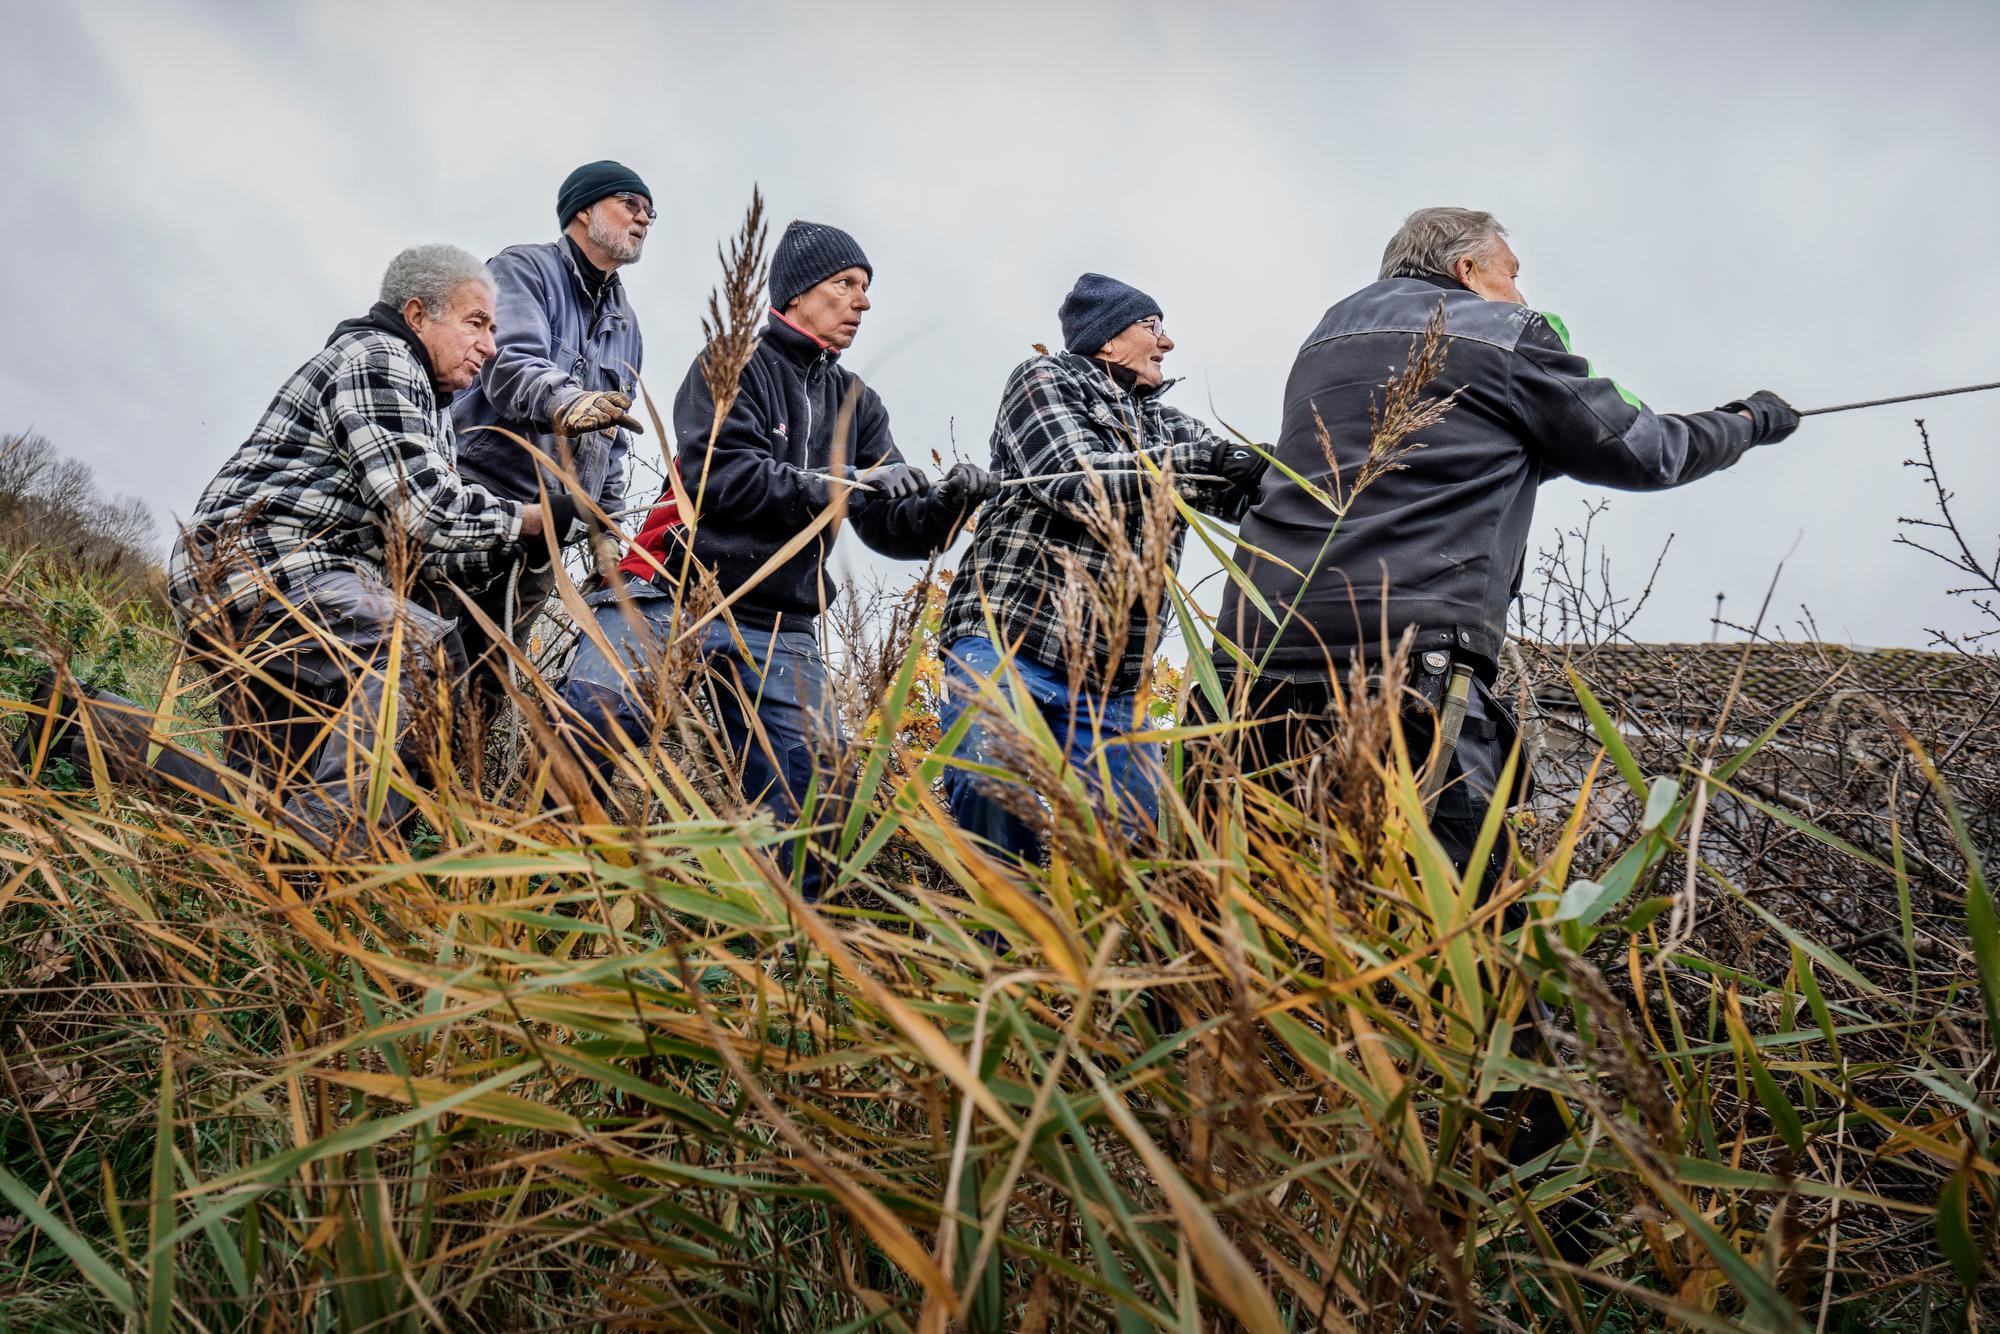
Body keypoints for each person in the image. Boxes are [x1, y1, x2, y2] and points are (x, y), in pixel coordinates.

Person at [1208, 206, 1799, 871]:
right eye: (1512, 274)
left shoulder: (1325, 339)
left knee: (1258, 901)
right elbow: (1645, 450)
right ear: (1466, 270)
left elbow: (1430, 465)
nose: (1523, 295)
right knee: (1463, 920)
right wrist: (1747, 422)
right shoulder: (1502, 332)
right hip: (1405, 667)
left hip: (1251, 657)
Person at [560, 219, 995, 897]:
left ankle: (795, 946)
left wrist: (947, 505)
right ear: (796, 294)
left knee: (815, 797)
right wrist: (844, 482)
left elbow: (893, 527)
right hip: (673, 587)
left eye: (866, 288)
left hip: (779, 620)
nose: (863, 302)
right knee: (594, 712)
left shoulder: (859, 404)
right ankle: (538, 878)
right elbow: (723, 479)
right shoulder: (731, 363)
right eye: (846, 285)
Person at [159, 244, 550, 856]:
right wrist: (528, 519)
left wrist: (524, 550)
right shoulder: (380, 357)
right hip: (257, 565)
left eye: (494, 329)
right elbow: (425, 507)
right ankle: (319, 865)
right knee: (415, 649)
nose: (491, 346)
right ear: (419, 314)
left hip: (279, 579)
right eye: (476, 323)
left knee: (266, 790)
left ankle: (78, 727)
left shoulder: (429, 407)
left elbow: (421, 545)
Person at [934, 273, 1268, 865]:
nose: (1167, 344)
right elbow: (1074, 475)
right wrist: (1205, 461)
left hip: (1111, 690)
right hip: (1010, 646)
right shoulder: (1044, 379)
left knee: (1151, 847)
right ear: (1109, 341)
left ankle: (1121, 953)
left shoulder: (1170, 426)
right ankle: (1012, 935)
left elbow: (1248, 499)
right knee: (987, 773)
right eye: (1153, 327)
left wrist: (1275, 466)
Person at [450, 160, 652, 705]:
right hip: (479, 499)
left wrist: (604, 530)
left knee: (487, 687)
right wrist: (569, 402)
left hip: (548, 538)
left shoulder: (627, 324)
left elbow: (614, 436)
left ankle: (441, 788)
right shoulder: (522, 270)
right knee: (425, 655)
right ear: (583, 209)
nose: (645, 218)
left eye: (651, 211)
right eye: (631, 204)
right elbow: (507, 361)